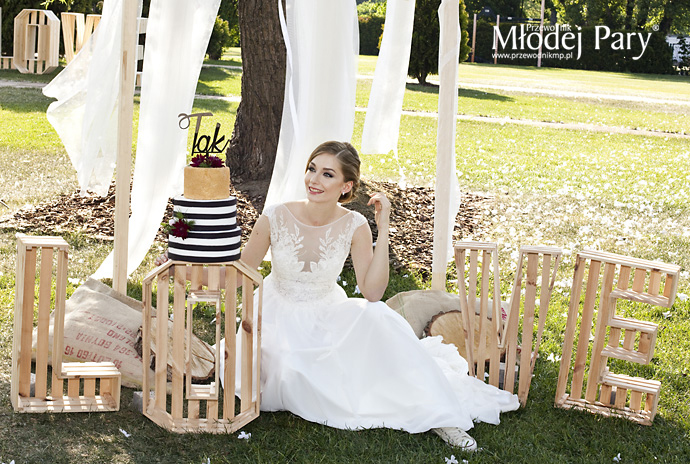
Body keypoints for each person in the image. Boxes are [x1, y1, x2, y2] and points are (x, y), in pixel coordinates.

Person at [222, 141, 519, 452]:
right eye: (312, 169)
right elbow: (241, 272)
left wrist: (384, 228)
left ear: (346, 186)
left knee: (378, 316)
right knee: (290, 371)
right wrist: (199, 272)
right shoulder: (275, 216)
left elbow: (373, 292)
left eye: (327, 174)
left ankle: (439, 413)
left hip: (326, 313)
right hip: (276, 315)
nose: (314, 180)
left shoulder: (354, 224)